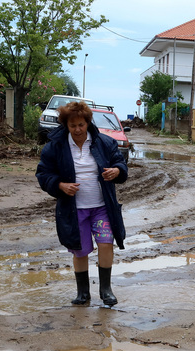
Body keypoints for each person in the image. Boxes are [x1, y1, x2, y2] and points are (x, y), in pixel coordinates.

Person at [36, 101, 128, 306]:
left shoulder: (104, 143)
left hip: (102, 207)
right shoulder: (55, 147)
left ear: (88, 123)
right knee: (80, 249)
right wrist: (60, 185)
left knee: (106, 244)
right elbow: (43, 174)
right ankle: (83, 293)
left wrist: (117, 171)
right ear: (65, 126)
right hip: (74, 209)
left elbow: (120, 164)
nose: (77, 130)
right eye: (73, 126)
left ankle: (106, 290)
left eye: (81, 125)